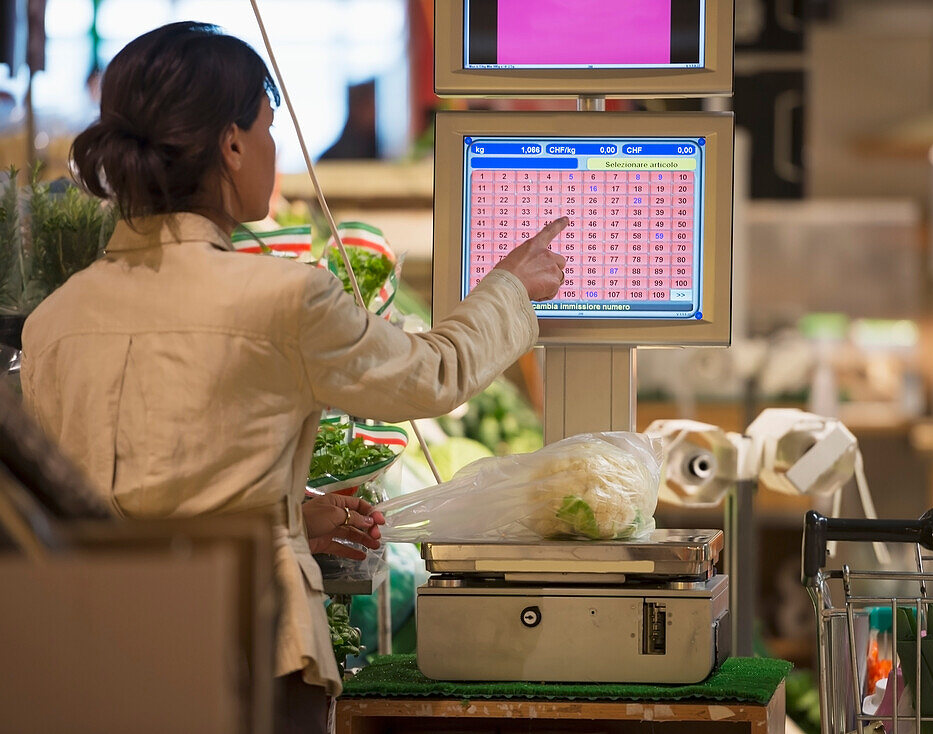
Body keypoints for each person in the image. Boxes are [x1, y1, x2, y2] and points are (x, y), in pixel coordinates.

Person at [19, 21, 567, 734]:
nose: (276, 150)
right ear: (233, 144)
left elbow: (121, 505)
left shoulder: (54, 319)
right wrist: (511, 288)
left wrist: (281, 517)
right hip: (250, 651)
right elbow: (431, 376)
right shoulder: (284, 299)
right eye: (269, 128)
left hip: (91, 661)